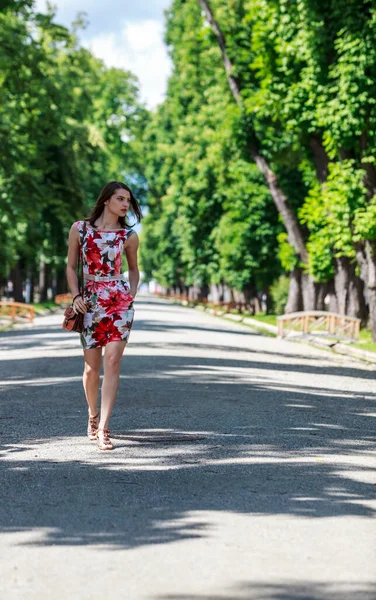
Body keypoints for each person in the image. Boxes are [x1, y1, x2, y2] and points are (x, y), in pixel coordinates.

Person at [66, 181, 142, 450]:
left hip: (119, 301)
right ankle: (93, 415)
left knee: (113, 360)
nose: (125, 205)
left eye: (128, 201)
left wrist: (130, 295)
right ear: (107, 200)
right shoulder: (80, 229)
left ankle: (104, 429)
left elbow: (133, 270)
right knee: (91, 369)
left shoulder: (128, 236)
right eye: (120, 199)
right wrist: (76, 297)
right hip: (89, 301)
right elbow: (70, 267)